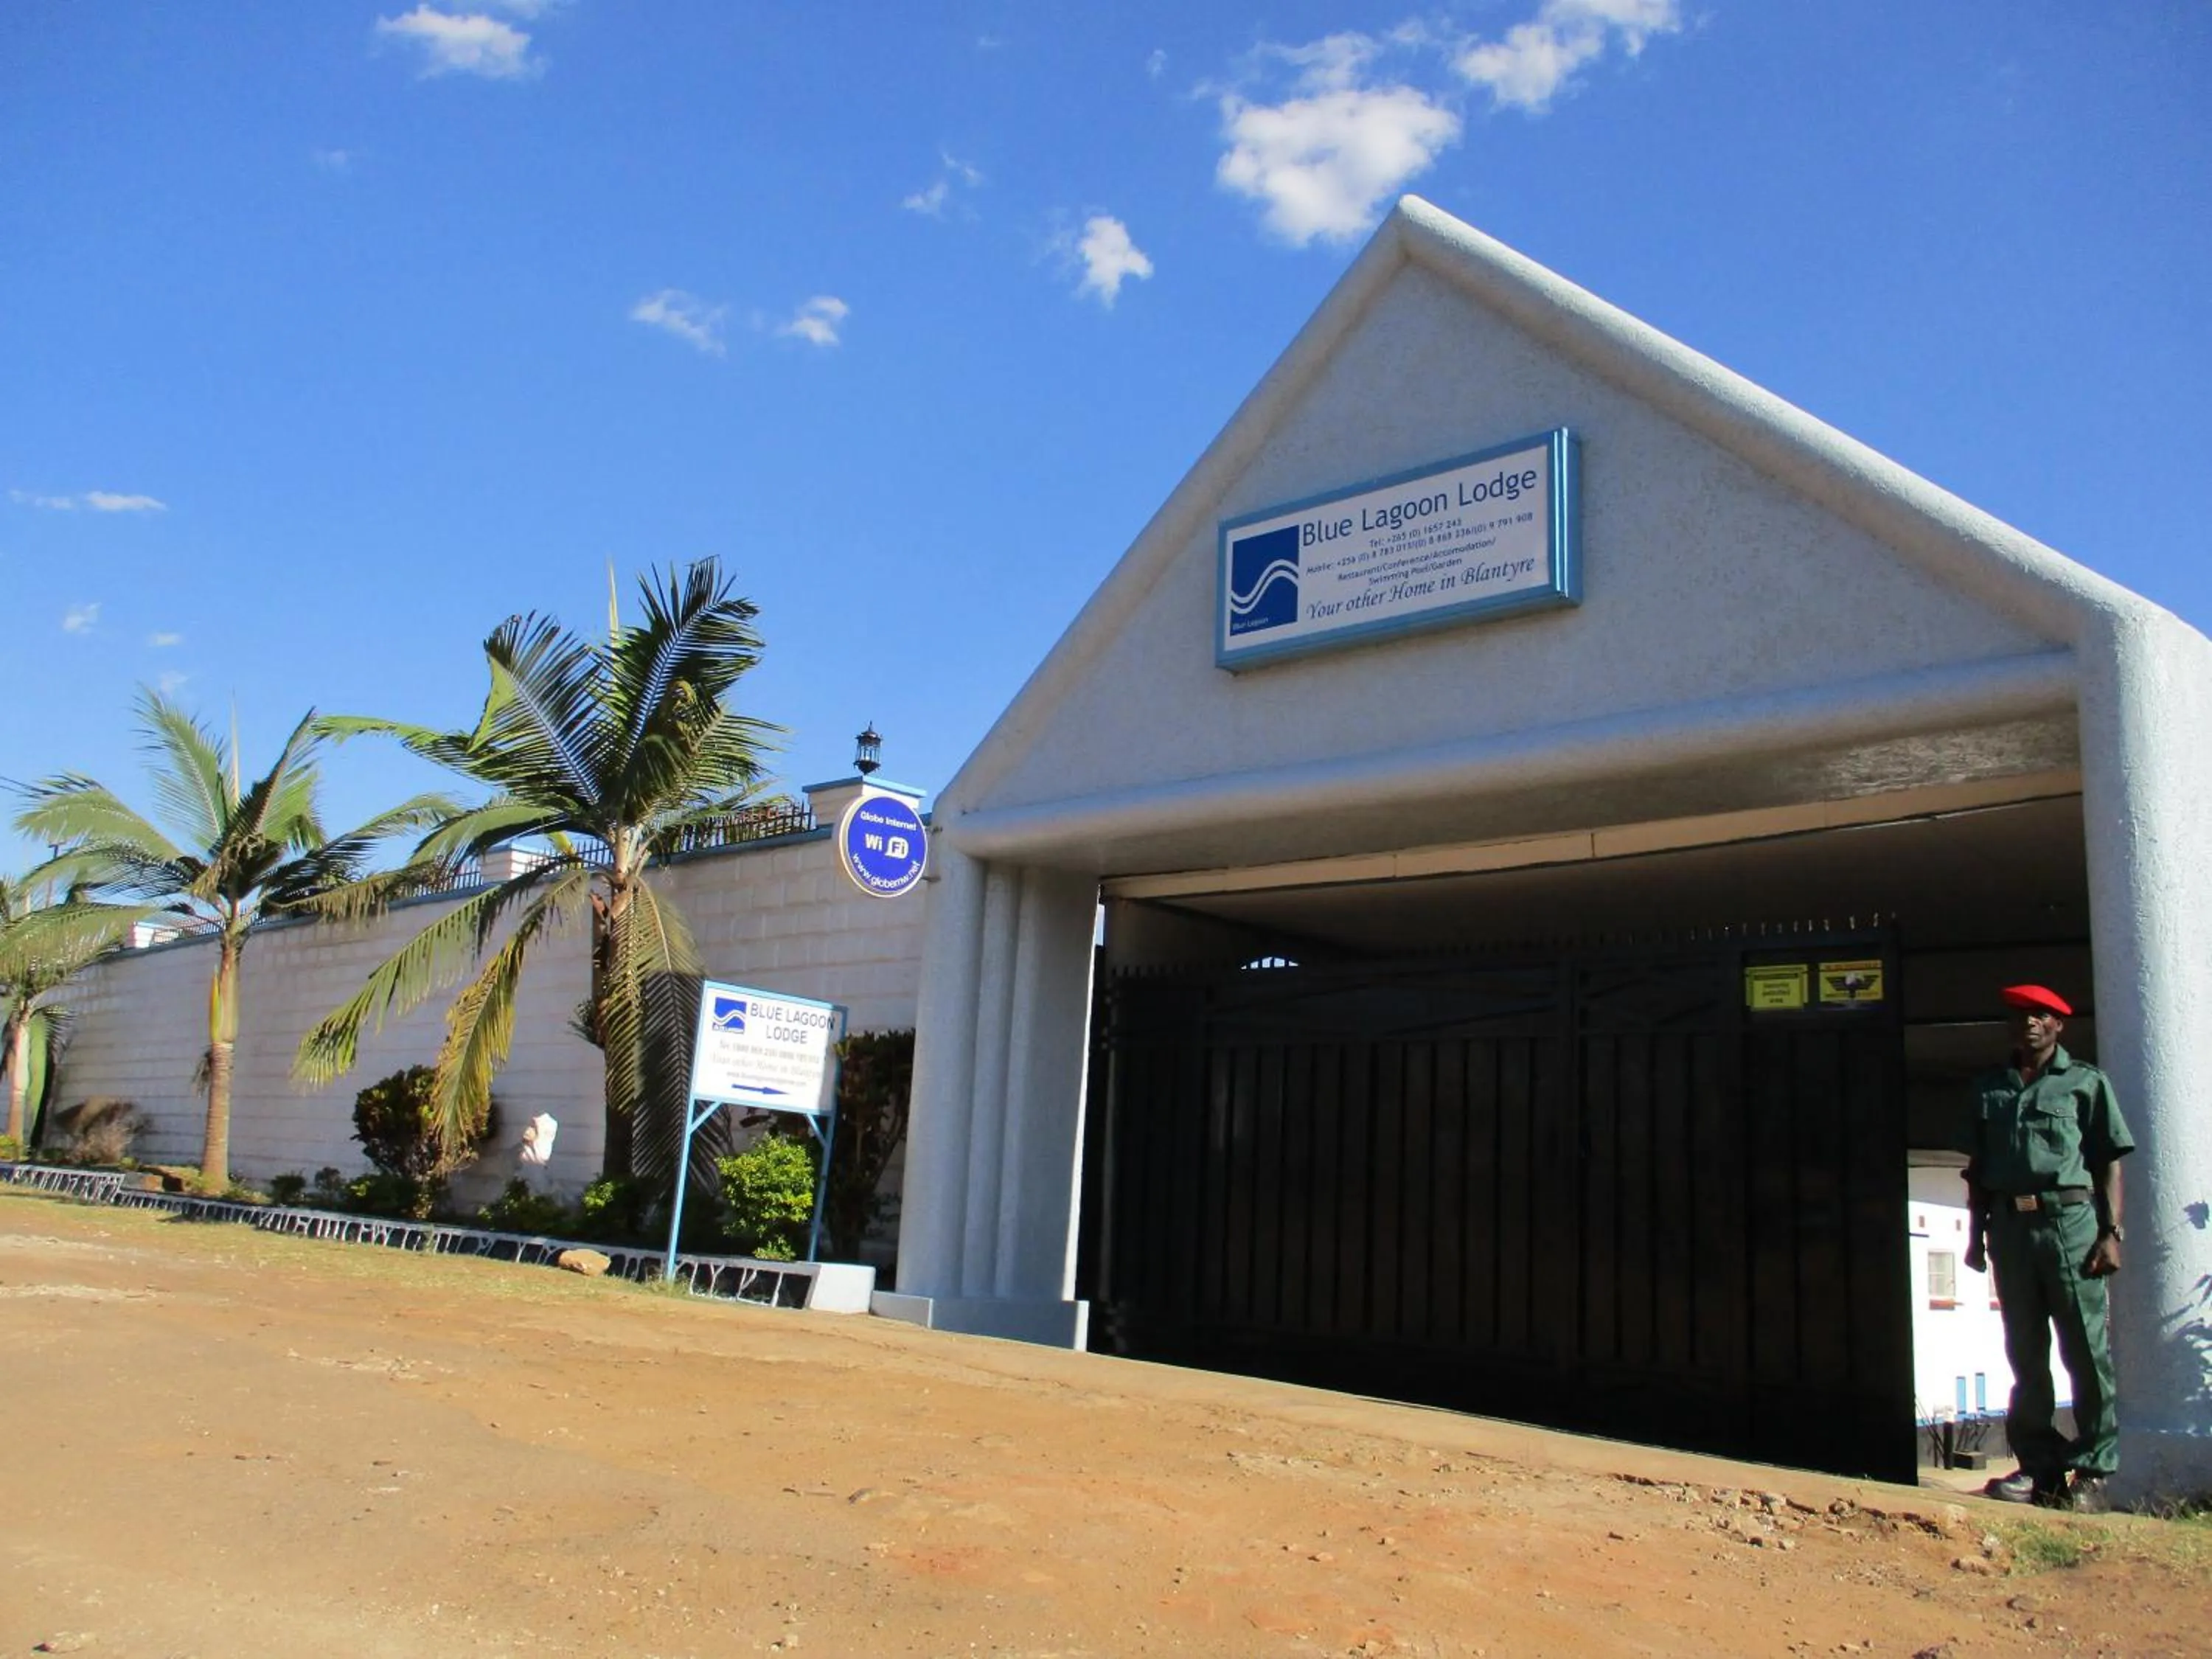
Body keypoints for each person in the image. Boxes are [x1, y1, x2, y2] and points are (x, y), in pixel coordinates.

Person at [1961, 984, 2134, 1512]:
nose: (2030, 1024)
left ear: (2060, 1026)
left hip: (2071, 1224)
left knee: (2085, 1349)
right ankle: (2040, 1468)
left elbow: (2108, 1159)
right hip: (2010, 1228)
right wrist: (1975, 1237)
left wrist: (2112, 1232)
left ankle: (2096, 1469)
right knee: (2025, 1352)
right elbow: (1979, 1172)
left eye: (2041, 1016)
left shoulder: (2085, 1083)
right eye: (2020, 1016)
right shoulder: (1991, 1088)